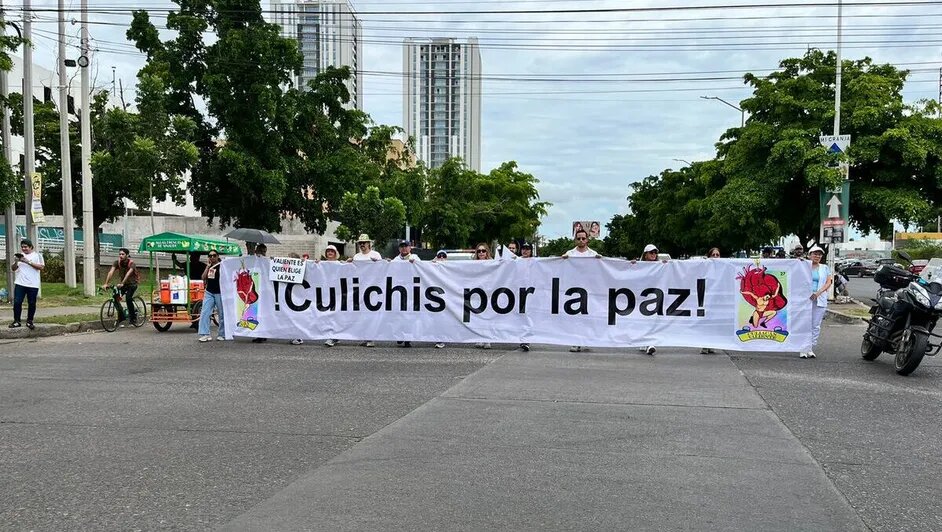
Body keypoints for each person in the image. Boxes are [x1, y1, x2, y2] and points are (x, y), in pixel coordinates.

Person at [563, 229, 600, 352]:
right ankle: (576, 341)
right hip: (573, 289)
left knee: (588, 316)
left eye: (583, 238)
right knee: (575, 316)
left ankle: (587, 339)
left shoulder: (593, 254)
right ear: (575, 240)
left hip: (589, 289)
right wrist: (563, 259)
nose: (581, 240)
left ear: (587, 240)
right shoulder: (570, 253)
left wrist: (600, 260)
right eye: (578, 238)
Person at [803, 245, 833, 359]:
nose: (817, 256)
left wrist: (818, 293)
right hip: (806, 299)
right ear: (809, 255)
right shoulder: (804, 266)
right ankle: (802, 347)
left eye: (819, 254)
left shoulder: (824, 268)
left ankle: (809, 347)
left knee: (815, 325)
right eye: (815, 254)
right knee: (804, 323)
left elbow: (828, 282)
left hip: (819, 298)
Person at [351, 234, 381, 347]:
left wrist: (377, 262)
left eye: (364, 243)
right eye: (360, 243)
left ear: (369, 244)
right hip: (360, 288)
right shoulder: (356, 256)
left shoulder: (375, 255)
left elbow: (383, 268)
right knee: (362, 314)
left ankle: (371, 338)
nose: (362, 245)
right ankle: (364, 337)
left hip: (373, 288)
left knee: (371, 313)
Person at [9, 239, 44, 329]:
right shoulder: (20, 256)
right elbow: (13, 268)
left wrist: (27, 261)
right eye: (22, 247)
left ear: (31, 247)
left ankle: (30, 321)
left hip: (33, 284)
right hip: (20, 283)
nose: (24, 248)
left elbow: (41, 267)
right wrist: (16, 261)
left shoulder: (37, 256)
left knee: (31, 303)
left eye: (26, 247)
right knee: (17, 302)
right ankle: (17, 321)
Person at [391, 241, 421, 347]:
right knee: (398, 314)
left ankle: (408, 338)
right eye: (402, 247)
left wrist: (415, 263)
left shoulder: (415, 257)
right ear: (399, 249)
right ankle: (400, 335)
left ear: (410, 248)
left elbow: (422, 269)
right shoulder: (396, 260)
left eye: (406, 246)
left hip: (411, 290)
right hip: (398, 290)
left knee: (410, 315)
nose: (404, 248)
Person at [102, 247, 141, 326]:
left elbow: (128, 274)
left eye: (123, 254)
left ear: (127, 255)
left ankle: (133, 318)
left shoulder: (131, 263)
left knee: (128, 298)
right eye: (119, 254)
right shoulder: (117, 262)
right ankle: (121, 316)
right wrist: (106, 283)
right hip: (124, 284)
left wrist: (122, 283)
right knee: (115, 297)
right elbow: (111, 272)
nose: (121, 256)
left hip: (132, 284)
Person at [638, 244, 662, 356]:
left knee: (652, 319)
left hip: (654, 296)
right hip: (641, 297)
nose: (653, 254)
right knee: (643, 320)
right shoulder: (639, 266)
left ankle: (650, 343)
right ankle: (644, 341)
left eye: (655, 252)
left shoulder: (660, 266)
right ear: (645, 254)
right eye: (651, 252)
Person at [197, 250, 225, 342]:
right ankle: (205, 334)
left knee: (221, 314)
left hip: (220, 292)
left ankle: (222, 334)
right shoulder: (209, 267)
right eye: (210, 256)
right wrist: (207, 267)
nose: (212, 257)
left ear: (217, 256)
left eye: (214, 255)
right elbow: (203, 277)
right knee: (205, 312)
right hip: (209, 292)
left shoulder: (222, 265)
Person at [700, 247, 722, 354]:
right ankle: (704, 344)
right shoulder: (705, 266)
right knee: (706, 321)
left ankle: (712, 344)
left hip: (718, 299)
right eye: (713, 255)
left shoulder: (724, 268)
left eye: (717, 255)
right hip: (706, 297)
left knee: (714, 322)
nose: (716, 257)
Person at [321, 245, 344, 347]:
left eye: (332, 251)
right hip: (325, 292)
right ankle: (333, 335)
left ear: (335, 254)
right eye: (328, 251)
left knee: (335, 315)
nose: (330, 253)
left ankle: (333, 336)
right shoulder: (321, 264)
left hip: (338, 293)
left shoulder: (340, 264)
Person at [473, 243, 493, 349]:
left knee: (487, 316)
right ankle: (479, 338)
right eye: (479, 251)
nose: (481, 253)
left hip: (489, 293)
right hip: (476, 293)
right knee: (477, 316)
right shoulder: (472, 264)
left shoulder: (493, 263)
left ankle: (488, 339)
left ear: (487, 252)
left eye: (483, 251)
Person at [251, 244, 269, 343]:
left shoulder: (267, 262)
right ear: (256, 251)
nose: (263, 254)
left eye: (264, 252)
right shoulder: (252, 261)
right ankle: (259, 334)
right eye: (261, 251)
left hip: (265, 292)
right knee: (257, 313)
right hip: (255, 290)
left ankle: (263, 334)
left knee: (264, 314)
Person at [519, 242, 535, 351]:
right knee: (519, 316)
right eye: (523, 248)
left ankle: (526, 340)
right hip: (517, 292)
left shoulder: (536, 262)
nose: (525, 251)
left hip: (530, 293)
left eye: (527, 249)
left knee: (528, 315)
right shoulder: (516, 261)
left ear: (531, 251)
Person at [432, 250, 448, 349]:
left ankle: (441, 338)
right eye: (439, 256)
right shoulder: (432, 266)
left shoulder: (452, 268)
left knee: (444, 318)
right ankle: (438, 337)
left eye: (444, 256)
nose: (441, 258)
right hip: (435, 296)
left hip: (446, 297)